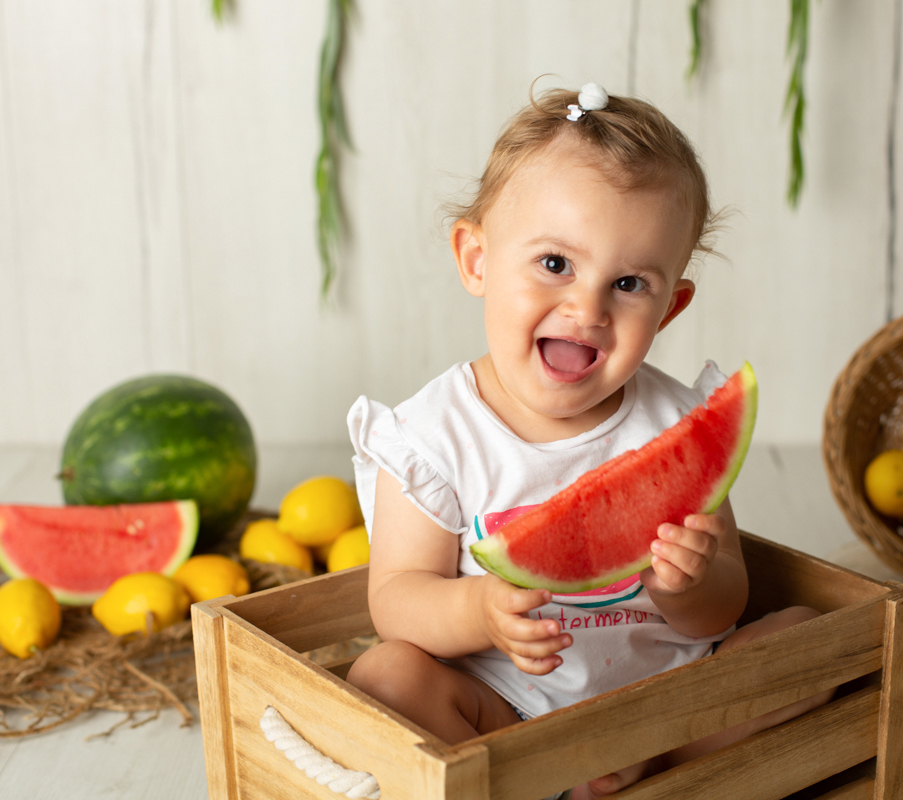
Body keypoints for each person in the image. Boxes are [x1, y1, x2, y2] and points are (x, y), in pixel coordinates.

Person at [346, 83, 829, 799]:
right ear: (476, 260)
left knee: (808, 635)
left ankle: (655, 766)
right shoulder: (432, 434)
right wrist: (476, 611)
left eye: (629, 282)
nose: (588, 308)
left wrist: (688, 586)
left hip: (671, 703)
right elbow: (395, 597)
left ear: (670, 309)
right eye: (555, 265)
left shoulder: (680, 425)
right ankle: (559, 777)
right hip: (507, 712)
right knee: (385, 677)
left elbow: (727, 602)